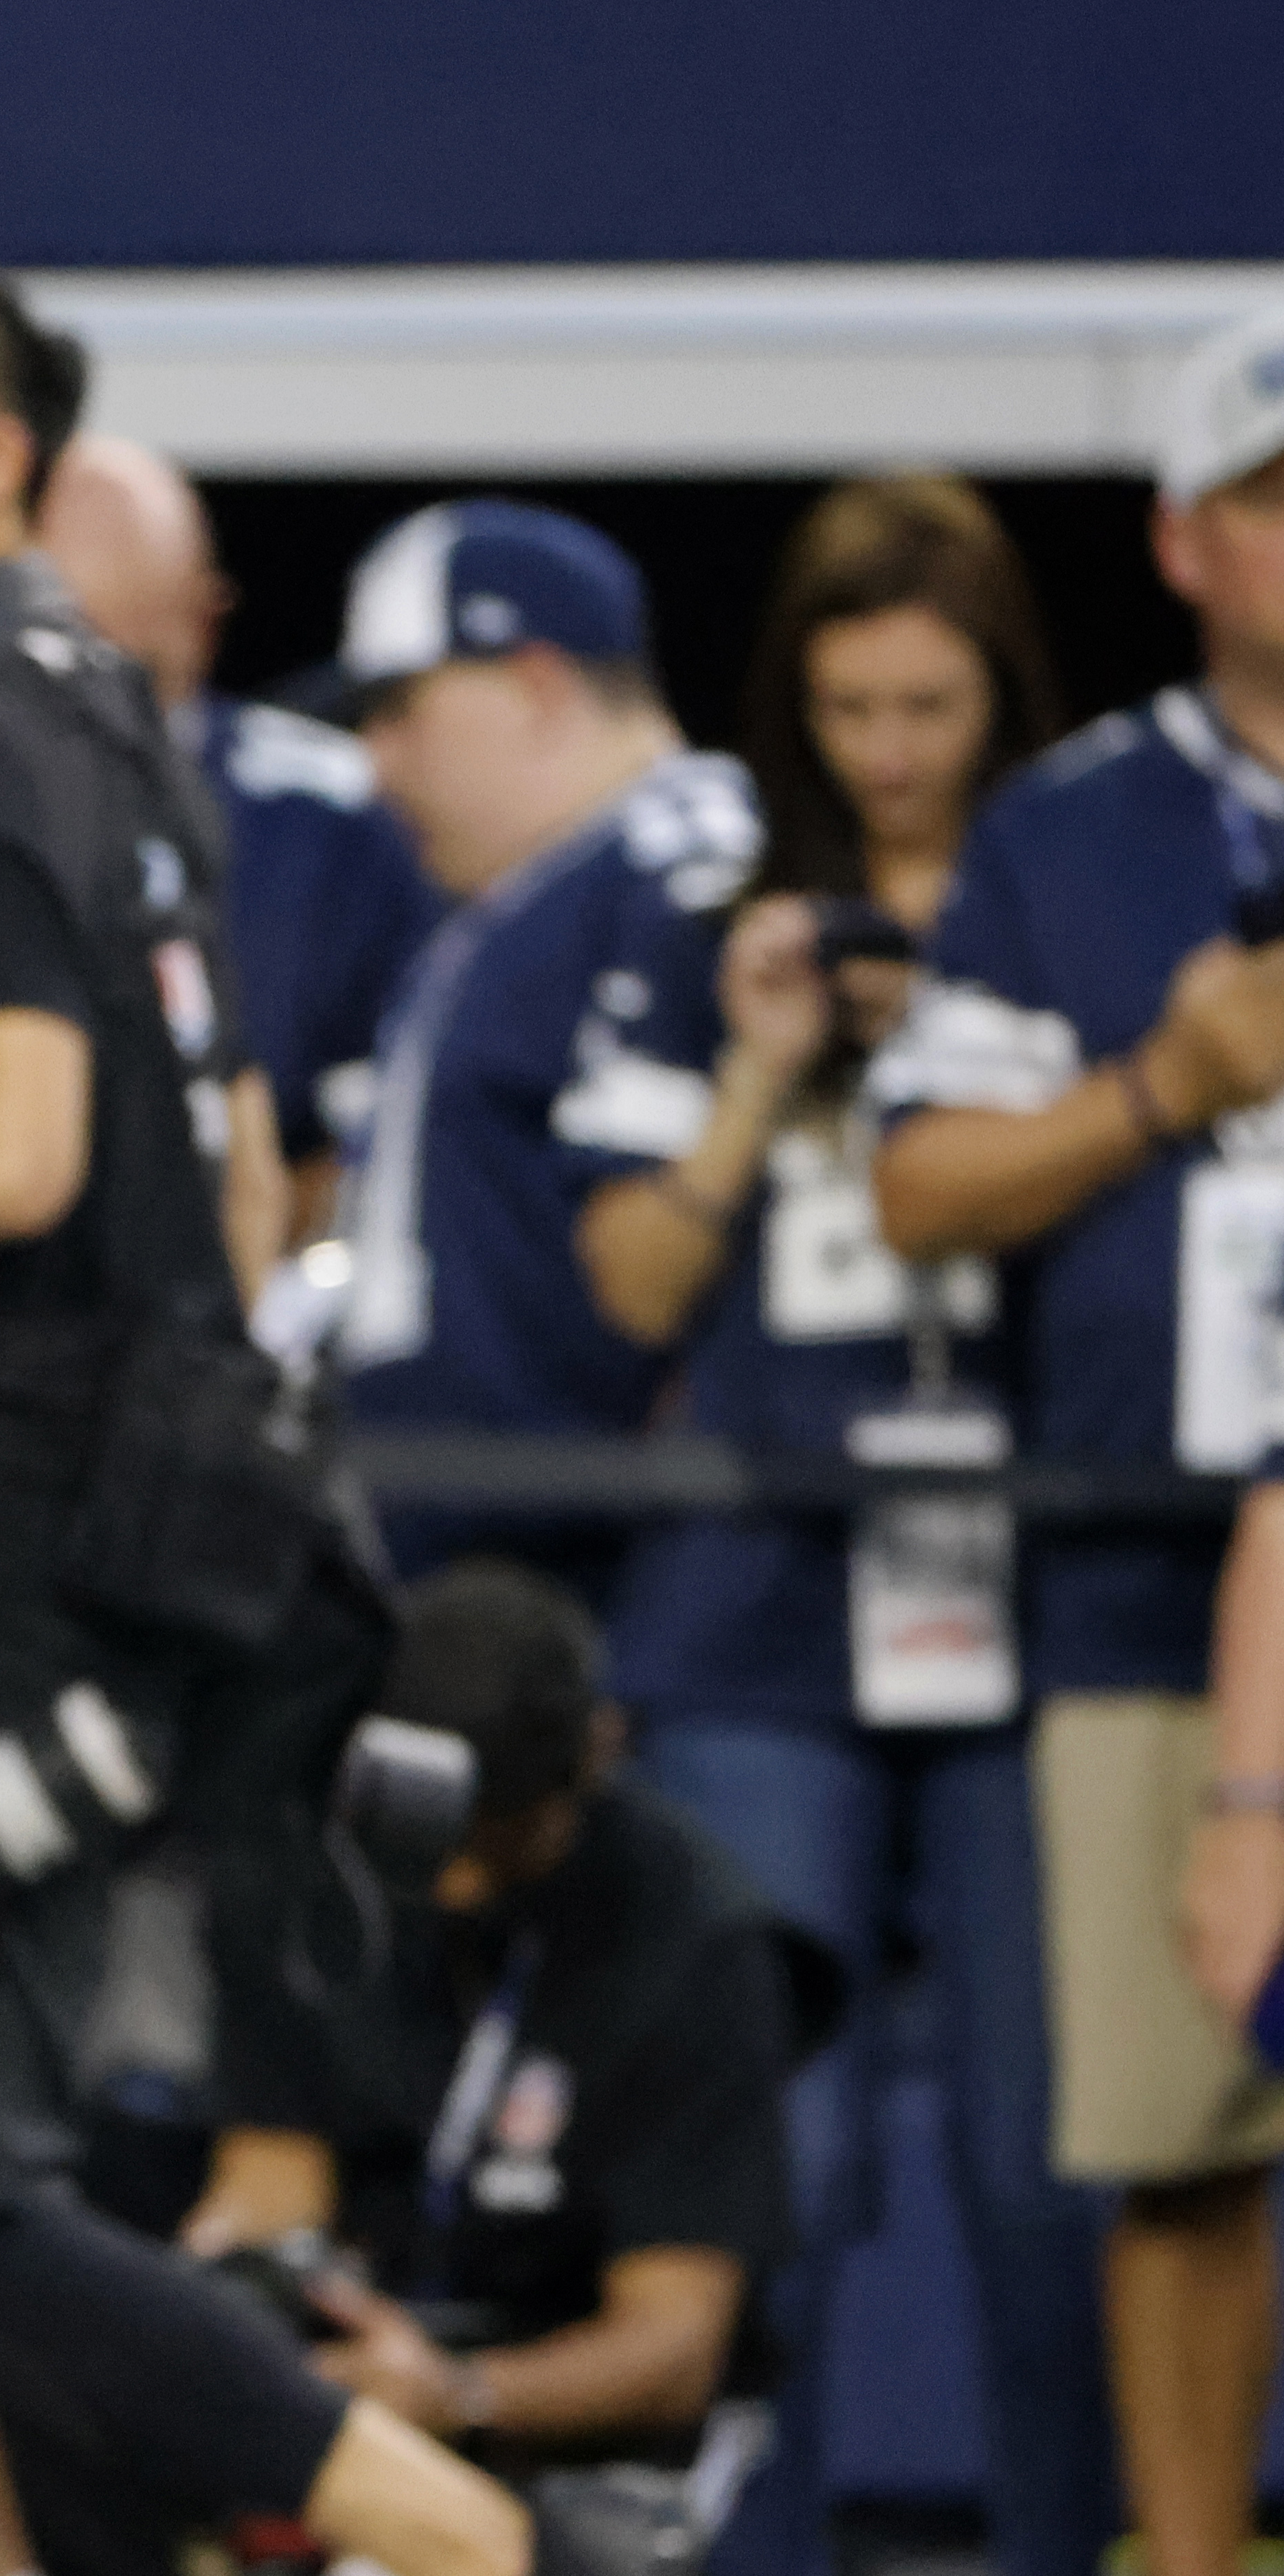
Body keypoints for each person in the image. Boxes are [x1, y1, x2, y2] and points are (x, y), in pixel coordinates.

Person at [0, 241, 523, 2576]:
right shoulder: (108, 712)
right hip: (76, 1518)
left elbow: (5, 1140)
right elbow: (229, 1143)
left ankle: (448, 2522)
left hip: (17, 1557)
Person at [565, 476, 1114, 2576]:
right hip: (754, 1607)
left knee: (1036, 2173)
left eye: (928, 701)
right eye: (847, 705)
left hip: (1036, 1583)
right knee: (756, 2169)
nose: (889, 747)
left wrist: (972, 1083)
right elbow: (624, 1281)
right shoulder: (711, 911)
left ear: (999, 693)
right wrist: (761, 1065)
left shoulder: (1069, 894)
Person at [875, 303, 1284, 2576]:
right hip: (1140, 1555)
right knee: (1174, 2126)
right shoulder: (1077, 831)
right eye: (1275, 498)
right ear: (1185, 537)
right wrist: (1160, 1083)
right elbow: (916, 1175)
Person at [182, 1566, 822, 2529]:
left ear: (598, 1755)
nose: (462, 1877)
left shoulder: (698, 1940)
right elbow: (271, 2182)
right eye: (440, 1826)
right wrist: (247, 2300)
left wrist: (459, 2392)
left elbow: (673, 2347)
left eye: (504, 1828)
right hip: (358, 2362)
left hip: (565, 2413)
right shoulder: (311, 1871)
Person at [326, 501, 758, 1601]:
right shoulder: (533, 891)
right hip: (484, 1549)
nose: (377, 765)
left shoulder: (682, 861)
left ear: (535, 682)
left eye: (399, 709)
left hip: (616, 1568)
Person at [37, 434, 439, 1243]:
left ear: (205, 618)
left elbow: (408, 1112)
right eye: (61, 668)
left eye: (134, 672)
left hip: (257, 1287)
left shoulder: (339, 813)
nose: (101, 715)